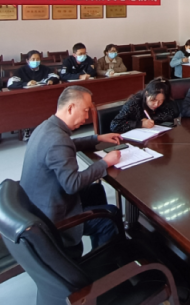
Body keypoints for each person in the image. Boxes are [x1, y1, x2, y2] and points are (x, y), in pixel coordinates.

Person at [19, 85, 122, 257]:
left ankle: (100, 245)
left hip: (39, 203)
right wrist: (105, 163)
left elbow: (68, 145)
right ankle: (105, 263)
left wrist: (97, 138)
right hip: (51, 217)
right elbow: (72, 184)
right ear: (71, 108)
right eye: (86, 111)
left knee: (96, 190)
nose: (87, 117)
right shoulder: (58, 140)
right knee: (111, 216)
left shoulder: (46, 127)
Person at [110, 78, 180, 132]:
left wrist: (152, 119)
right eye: (153, 100)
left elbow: (172, 115)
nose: (156, 104)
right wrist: (141, 124)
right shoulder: (134, 103)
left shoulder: (164, 101)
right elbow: (115, 125)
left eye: (160, 101)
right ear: (146, 94)